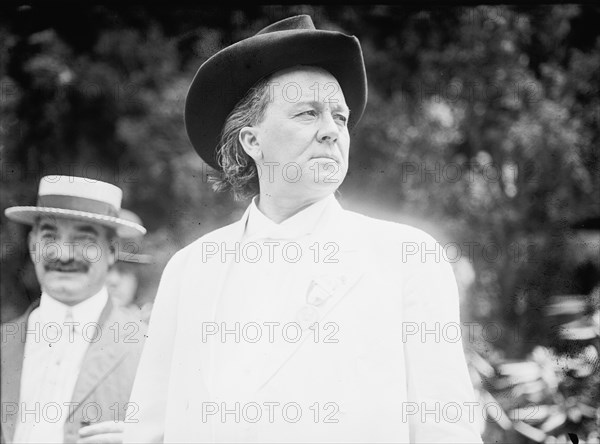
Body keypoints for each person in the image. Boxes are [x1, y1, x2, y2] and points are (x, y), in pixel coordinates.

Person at [124, 15, 483, 443]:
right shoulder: (190, 269)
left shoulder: (407, 257)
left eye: (340, 117)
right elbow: (147, 429)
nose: (331, 131)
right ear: (251, 142)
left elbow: (445, 429)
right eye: (307, 113)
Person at [1, 175, 147, 444]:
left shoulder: (147, 349)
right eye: (50, 236)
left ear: (112, 250)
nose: (64, 254)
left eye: (84, 240)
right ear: (33, 245)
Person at [106, 209, 154, 323]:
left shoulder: (150, 326)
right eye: (107, 269)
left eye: (124, 271)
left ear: (137, 278)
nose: (114, 280)